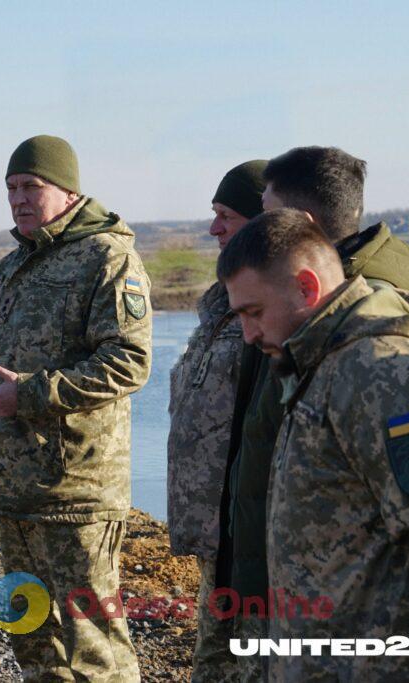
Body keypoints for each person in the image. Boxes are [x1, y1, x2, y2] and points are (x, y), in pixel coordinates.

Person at [218, 208, 409, 681]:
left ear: (307, 289)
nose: (249, 335)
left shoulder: (379, 372)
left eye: (254, 312)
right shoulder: (321, 362)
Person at [0, 135, 152, 682]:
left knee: (94, 645)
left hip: (74, 489)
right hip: (13, 487)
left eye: (31, 186)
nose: (18, 197)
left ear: (67, 191)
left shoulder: (108, 257)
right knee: (27, 628)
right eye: (11, 187)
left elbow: (130, 360)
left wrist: (33, 394)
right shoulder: (14, 264)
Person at [166, 160, 266, 682]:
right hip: (219, 535)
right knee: (212, 665)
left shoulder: (276, 309)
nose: (213, 228)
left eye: (225, 215)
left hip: (253, 539)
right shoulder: (222, 303)